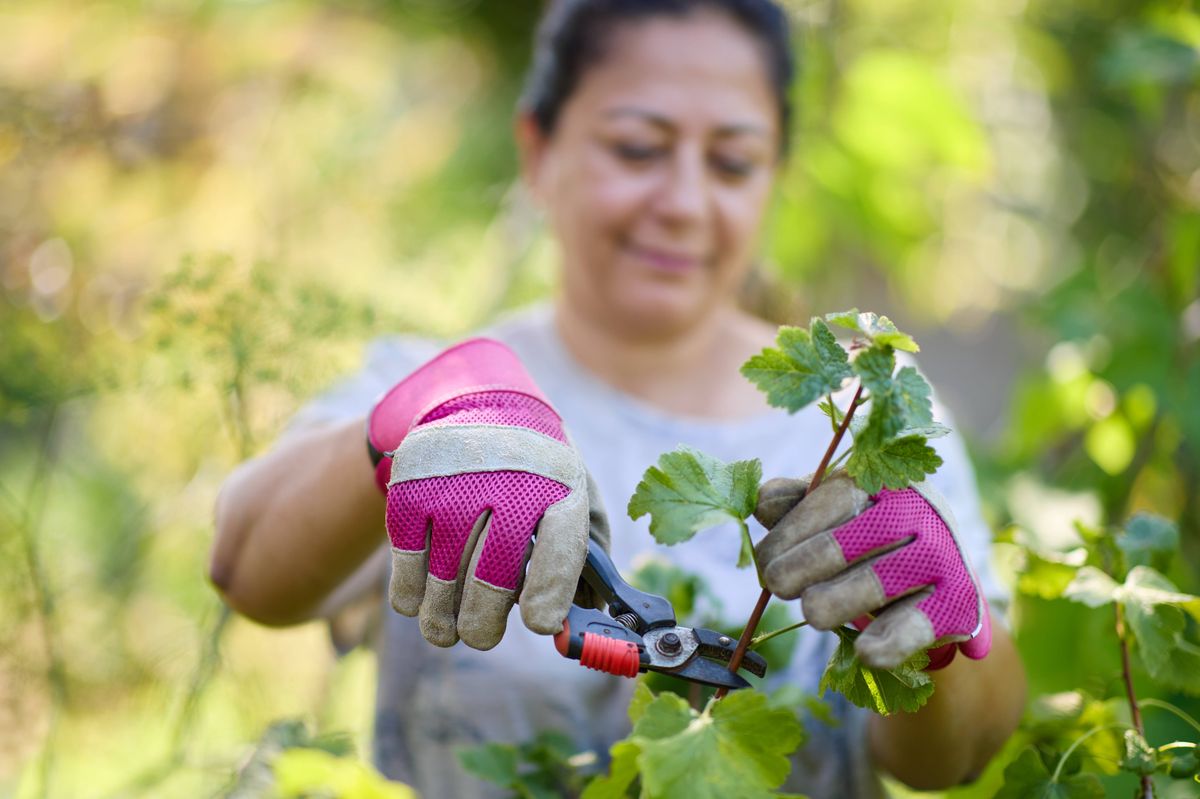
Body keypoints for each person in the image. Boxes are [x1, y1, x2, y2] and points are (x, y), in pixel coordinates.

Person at [209, 1, 1027, 796]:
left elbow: (959, 755)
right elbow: (244, 569)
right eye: (638, 148)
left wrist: (944, 636)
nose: (683, 202)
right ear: (539, 151)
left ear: (775, 174)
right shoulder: (443, 396)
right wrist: (410, 423)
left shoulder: (864, 416)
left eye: (734, 163)